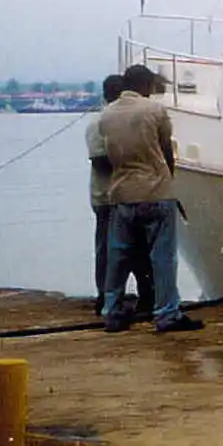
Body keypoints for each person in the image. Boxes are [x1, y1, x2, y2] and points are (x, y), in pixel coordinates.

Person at [98, 64, 202, 333]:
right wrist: (168, 178)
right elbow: (166, 148)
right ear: (145, 85)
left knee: (118, 257)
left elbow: (109, 153)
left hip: (121, 192)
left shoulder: (106, 115)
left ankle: (112, 311)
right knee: (163, 258)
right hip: (155, 191)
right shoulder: (154, 110)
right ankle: (166, 313)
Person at [85, 73, 151, 315]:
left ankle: (142, 295)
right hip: (106, 197)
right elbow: (99, 162)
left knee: (134, 248)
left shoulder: (125, 121)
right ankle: (105, 296)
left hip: (127, 195)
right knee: (108, 249)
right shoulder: (98, 124)